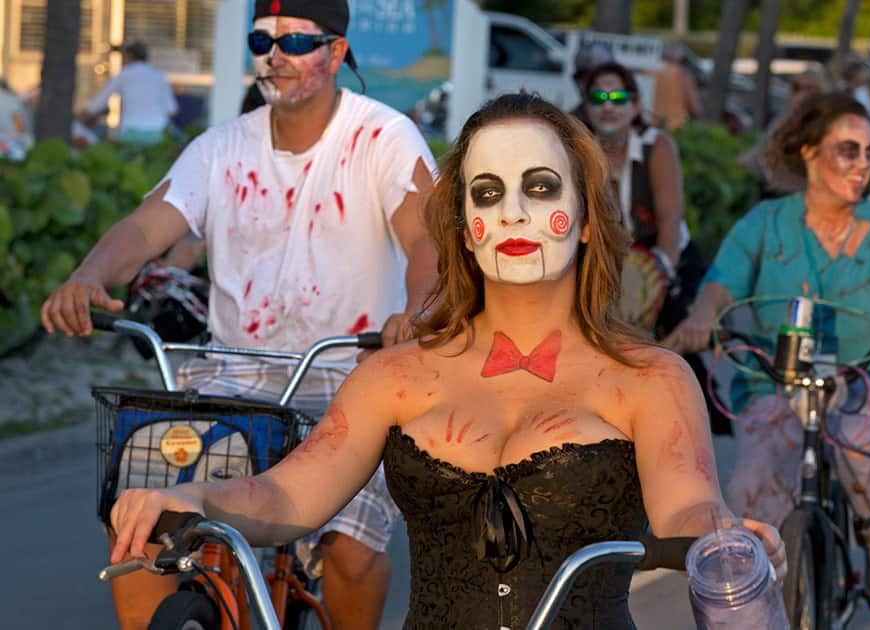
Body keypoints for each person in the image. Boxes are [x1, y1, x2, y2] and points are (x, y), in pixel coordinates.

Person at [107, 92, 785, 628]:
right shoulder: (396, 376)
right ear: (463, 230)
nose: (514, 213)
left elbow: (688, 505)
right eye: (488, 194)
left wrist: (725, 536)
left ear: (583, 219)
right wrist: (193, 495)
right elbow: (288, 493)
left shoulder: (650, 376)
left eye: (541, 188)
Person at [41, 1, 437, 628]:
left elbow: (427, 238)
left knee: (352, 548)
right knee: (144, 520)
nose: (274, 56)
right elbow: (148, 225)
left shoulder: (382, 137)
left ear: (336, 53)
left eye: (296, 43)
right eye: (262, 40)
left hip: (348, 377)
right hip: (229, 378)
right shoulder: (220, 146)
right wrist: (90, 275)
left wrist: (417, 313)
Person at [667, 93, 870, 607]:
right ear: (809, 153)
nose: (862, 164)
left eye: (868, 153)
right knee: (754, 483)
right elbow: (721, 283)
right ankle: (764, 597)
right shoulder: (765, 222)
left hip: (863, 377)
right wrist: (701, 318)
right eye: (848, 150)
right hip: (776, 378)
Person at [580, 61, 729, 435]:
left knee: (676, 341)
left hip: (665, 257)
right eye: (599, 97)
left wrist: (658, 277)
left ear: (634, 105)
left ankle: (688, 423)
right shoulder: (579, 150)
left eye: (619, 97)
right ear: (587, 105)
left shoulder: (657, 146)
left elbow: (668, 217)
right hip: (609, 261)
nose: (608, 106)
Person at [80, 41, 178, 145]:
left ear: (129, 56)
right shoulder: (159, 76)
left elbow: (98, 103)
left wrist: (80, 116)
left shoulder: (124, 74)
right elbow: (172, 110)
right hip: (158, 134)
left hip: (130, 133)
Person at [650, 40, 702, 131]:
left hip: (651, 124)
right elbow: (692, 104)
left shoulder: (649, 72)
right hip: (675, 126)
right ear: (679, 56)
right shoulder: (682, 74)